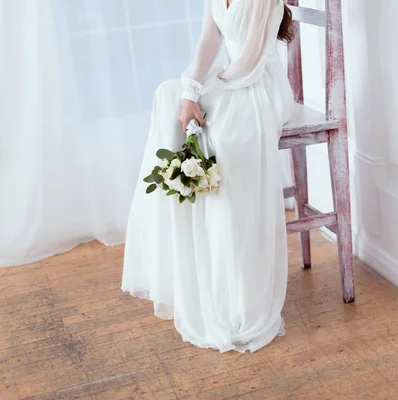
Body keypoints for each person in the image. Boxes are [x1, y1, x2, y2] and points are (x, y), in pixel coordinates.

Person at [121, 0, 295, 353]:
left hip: (260, 83)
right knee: (168, 95)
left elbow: (249, 59)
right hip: (231, 78)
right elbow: (208, 40)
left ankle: (236, 283)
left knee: (223, 136)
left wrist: (206, 90)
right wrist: (191, 89)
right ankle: (191, 262)